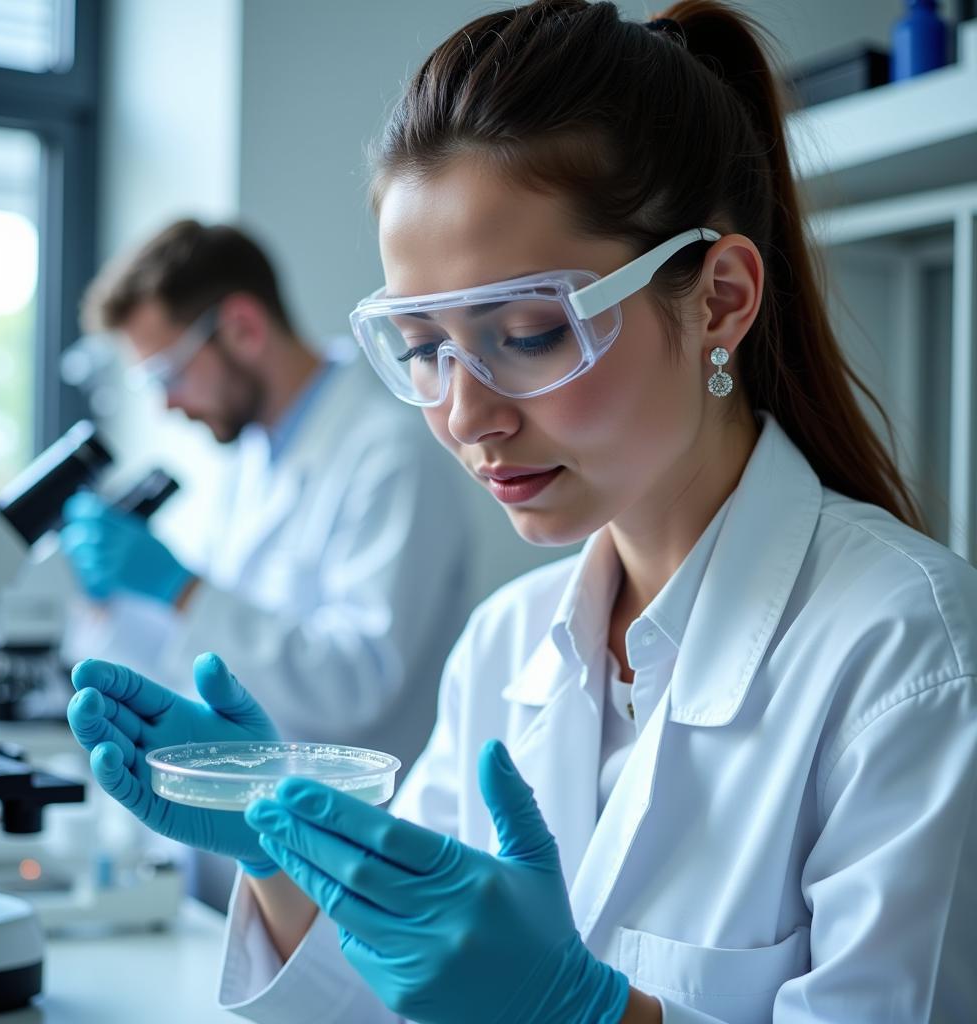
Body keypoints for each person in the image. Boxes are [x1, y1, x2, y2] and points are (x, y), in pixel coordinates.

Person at [66, 3, 977, 1022]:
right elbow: (390, 992)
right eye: (422, 347)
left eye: (531, 332)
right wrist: (279, 847)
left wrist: (585, 1010)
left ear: (719, 298)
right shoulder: (505, 646)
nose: (464, 414)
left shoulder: (909, 652)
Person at [61, 220, 475, 904]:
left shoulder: (388, 454)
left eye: (168, 373)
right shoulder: (244, 462)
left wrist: (181, 587)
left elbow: (359, 684)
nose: (165, 403)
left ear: (244, 328)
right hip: (238, 855)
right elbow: (193, 661)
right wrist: (111, 598)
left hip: (344, 863)